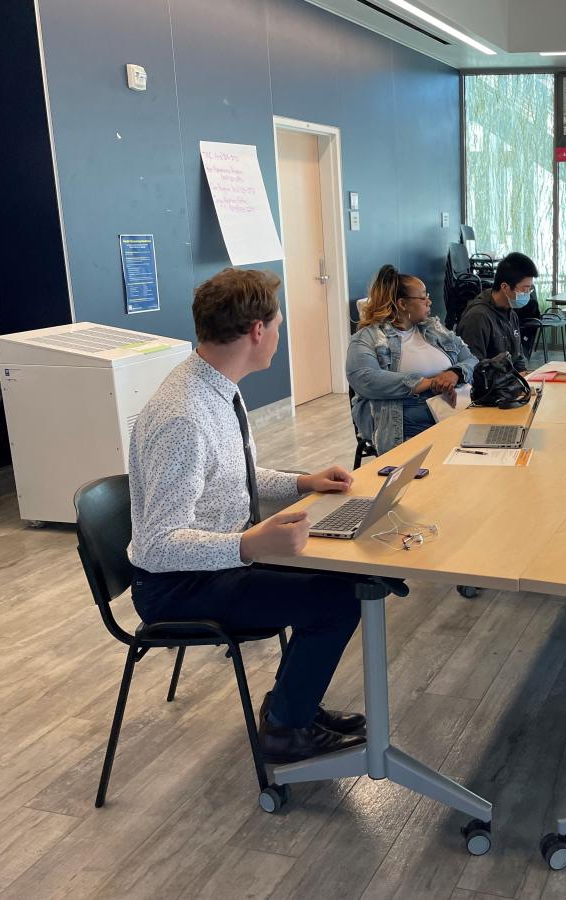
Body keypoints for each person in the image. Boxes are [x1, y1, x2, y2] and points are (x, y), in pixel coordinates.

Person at [128, 268, 392, 765]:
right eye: (278, 324)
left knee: (343, 568)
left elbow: (232, 476)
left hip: (219, 559)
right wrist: (250, 545)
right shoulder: (184, 416)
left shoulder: (215, 384)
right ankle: (286, 729)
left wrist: (302, 483)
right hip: (178, 585)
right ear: (256, 331)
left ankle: (294, 704)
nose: (278, 334)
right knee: (336, 599)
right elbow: (159, 546)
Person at [347, 265, 477, 454]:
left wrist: (454, 373)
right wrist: (429, 383)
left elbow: (472, 360)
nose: (429, 302)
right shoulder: (368, 338)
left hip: (454, 408)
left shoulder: (434, 330)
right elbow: (366, 379)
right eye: (423, 297)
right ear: (402, 304)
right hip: (403, 418)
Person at [457, 251, 538, 372]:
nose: (527, 295)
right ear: (505, 287)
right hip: (491, 387)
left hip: (509, 383)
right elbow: (473, 368)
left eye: (529, 289)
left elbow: (518, 357)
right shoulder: (478, 317)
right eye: (524, 289)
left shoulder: (511, 312)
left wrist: (525, 379)